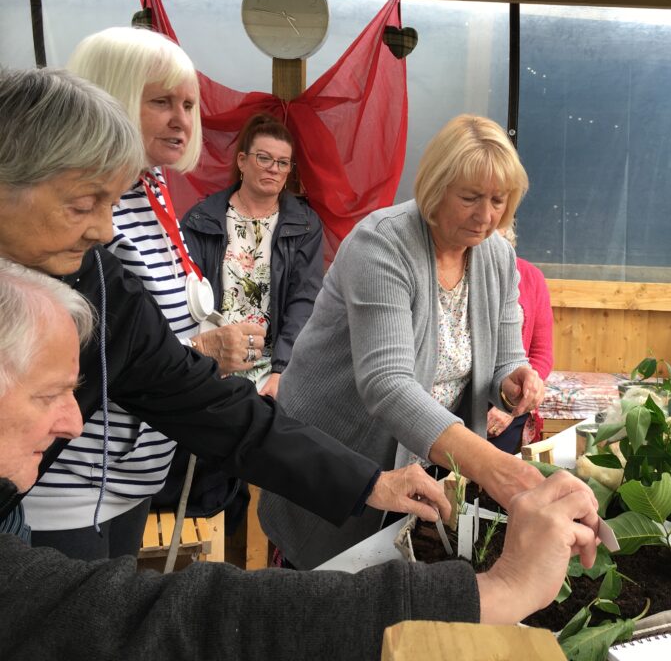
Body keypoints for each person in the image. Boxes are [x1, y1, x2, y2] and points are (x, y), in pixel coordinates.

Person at [0, 257, 604, 659]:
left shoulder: (94, 273)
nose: (76, 421)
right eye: (50, 393)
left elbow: (219, 410)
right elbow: (185, 624)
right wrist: (493, 592)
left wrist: (368, 479)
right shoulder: (383, 248)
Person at [0, 67, 444, 556]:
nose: (105, 232)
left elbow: (205, 401)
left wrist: (366, 483)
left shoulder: (100, 283)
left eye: (113, 204)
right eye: (84, 205)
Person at [20, 27, 271, 558]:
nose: (182, 120)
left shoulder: (153, 190)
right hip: (69, 478)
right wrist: (201, 352)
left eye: (188, 103)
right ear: (109, 96)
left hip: (132, 474)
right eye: (160, 102)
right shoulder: (81, 207)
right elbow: (80, 345)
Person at [260, 114, 550, 569]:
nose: (486, 215)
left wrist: (512, 379)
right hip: (337, 447)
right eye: (471, 198)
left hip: (421, 457)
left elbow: (506, 354)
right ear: (436, 188)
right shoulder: (383, 244)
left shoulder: (497, 255)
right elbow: (388, 383)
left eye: (498, 200)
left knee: (389, 594)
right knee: (321, 591)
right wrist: (493, 466)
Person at [182, 112, 324, 399]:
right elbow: (185, 297)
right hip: (214, 359)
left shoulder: (305, 226)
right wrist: (201, 357)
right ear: (242, 162)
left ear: (288, 172)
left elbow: (304, 301)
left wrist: (282, 369)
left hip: (271, 368)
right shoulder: (201, 220)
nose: (273, 168)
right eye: (264, 158)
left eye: (282, 163)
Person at [487, 221, 554, 452]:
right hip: (459, 400)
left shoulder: (531, 276)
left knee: (501, 478)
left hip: (510, 395)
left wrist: (507, 408)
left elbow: (542, 354)